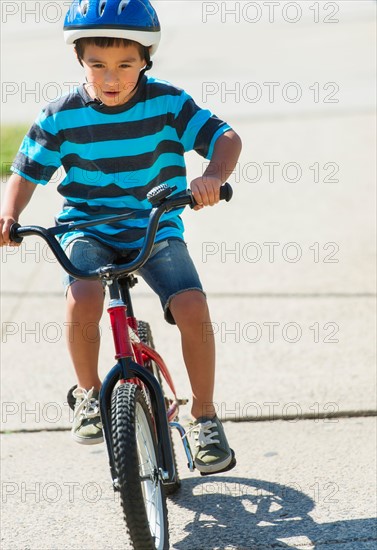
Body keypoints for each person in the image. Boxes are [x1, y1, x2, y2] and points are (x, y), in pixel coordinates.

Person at [0, 0, 242, 474]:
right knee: (83, 295)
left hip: (154, 223)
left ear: (146, 59)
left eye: (125, 65)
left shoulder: (167, 103)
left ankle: (206, 417)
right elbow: (26, 172)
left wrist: (211, 175)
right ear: (79, 60)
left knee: (192, 305)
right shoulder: (61, 115)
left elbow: (226, 138)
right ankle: (89, 393)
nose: (111, 77)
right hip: (85, 225)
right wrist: (9, 215)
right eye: (97, 65)